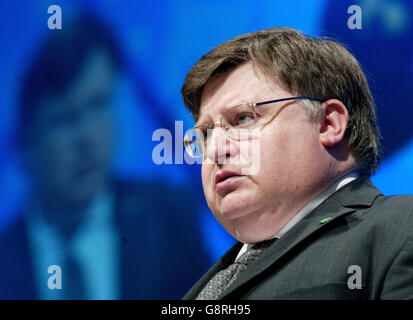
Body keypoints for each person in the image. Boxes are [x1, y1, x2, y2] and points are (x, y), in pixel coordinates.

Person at [181, 27, 413, 300]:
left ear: (328, 124)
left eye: (243, 118)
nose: (216, 150)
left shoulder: (400, 230)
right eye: (206, 134)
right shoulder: (203, 287)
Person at [0, 14, 209, 299]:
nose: (87, 139)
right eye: (65, 119)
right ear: (28, 143)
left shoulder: (169, 218)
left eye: (99, 104)